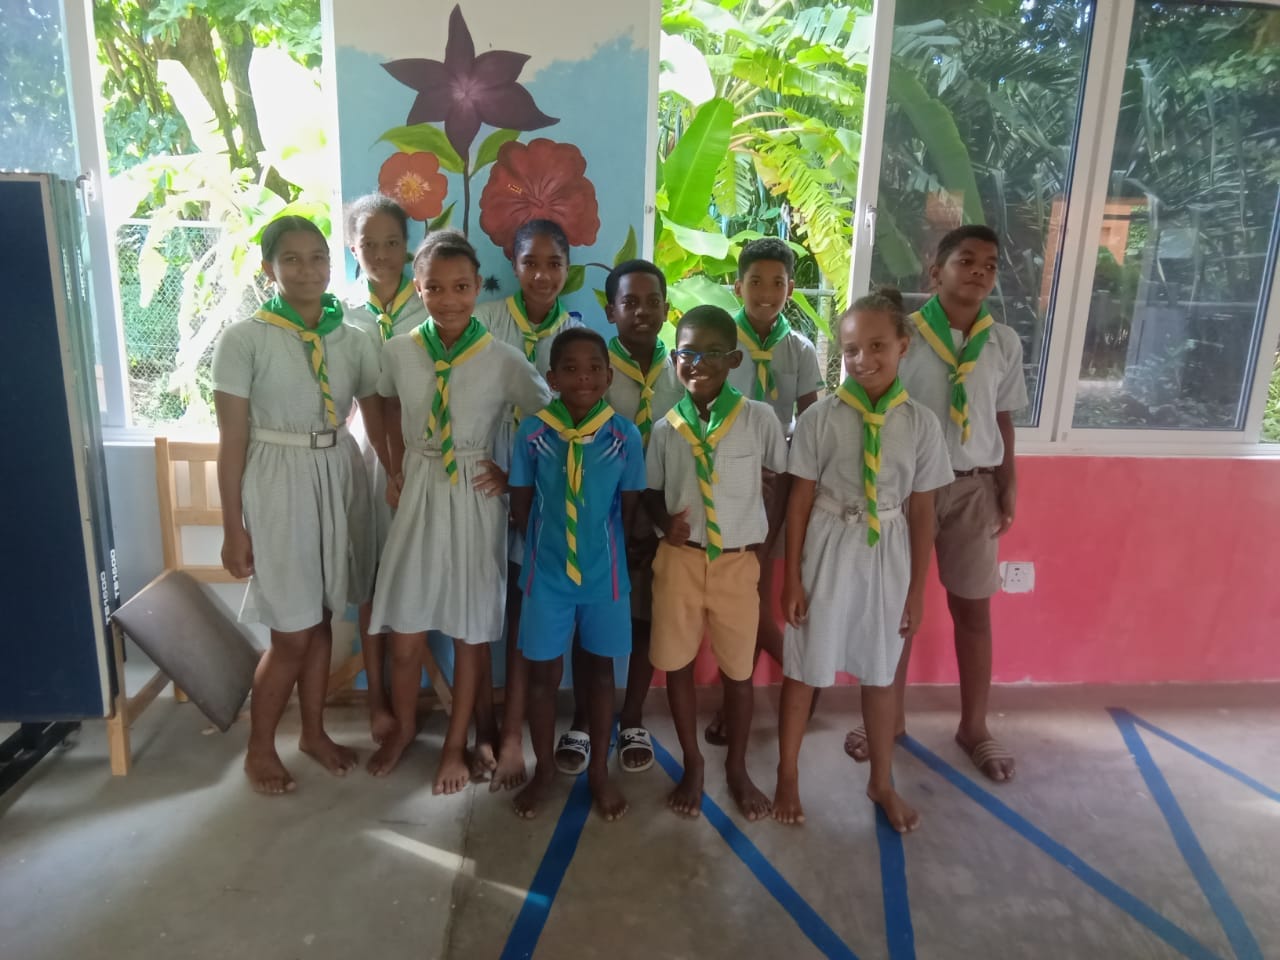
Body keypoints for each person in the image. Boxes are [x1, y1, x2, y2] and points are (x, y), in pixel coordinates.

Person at [367, 230, 551, 793]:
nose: (449, 300)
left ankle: (455, 746)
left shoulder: (502, 358)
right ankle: (399, 730)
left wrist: (514, 474)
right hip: (421, 485)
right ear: (417, 288)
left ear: (478, 287)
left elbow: (549, 416)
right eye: (435, 288)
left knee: (472, 632)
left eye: (462, 287)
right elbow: (381, 403)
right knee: (406, 632)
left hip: (475, 492)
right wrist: (393, 463)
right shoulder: (398, 350)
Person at [844, 225, 1027, 784]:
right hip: (907, 490)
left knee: (973, 609)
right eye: (965, 261)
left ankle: (974, 726)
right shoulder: (905, 336)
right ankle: (888, 719)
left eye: (989, 265)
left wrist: (1008, 481)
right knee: (898, 609)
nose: (978, 271)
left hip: (973, 486)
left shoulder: (1002, 343)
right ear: (936, 271)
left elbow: (1002, 417)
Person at [213, 215, 382, 794]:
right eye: (292, 259)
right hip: (278, 479)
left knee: (324, 616)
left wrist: (403, 471)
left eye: (317, 257)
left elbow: (377, 409)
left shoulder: (352, 337)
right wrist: (232, 527)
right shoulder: (244, 340)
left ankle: (314, 732)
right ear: (269, 269)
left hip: (337, 471)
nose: (307, 269)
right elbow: (232, 441)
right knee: (291, 631)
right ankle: (259, 748)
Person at [773, 290, 952, 832]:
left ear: (903, 347)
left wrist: (917, 589)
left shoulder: (921, 425)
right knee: (805, 667)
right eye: (851, 349)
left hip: (888, 551)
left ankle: (881, 781)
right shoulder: (820, 419)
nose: (863, 360)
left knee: (880, 672)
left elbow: (923, 510)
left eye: (877, 346)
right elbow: (799, 499)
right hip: (828, 546)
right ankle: (787, 773)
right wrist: (794, 578)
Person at [645, 305, 787, 821]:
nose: (696, 362)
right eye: (686, 352)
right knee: (678, 665)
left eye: (710, 353)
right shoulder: (666, 429)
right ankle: (694, 763)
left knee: (739, 672)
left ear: (733, 359)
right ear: (675, 360)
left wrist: (763, 544)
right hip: (679, 563)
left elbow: (781, 481)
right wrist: (665, 524)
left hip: (736, 564)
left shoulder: (759, 418)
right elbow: (650, 493)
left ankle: (737, 769)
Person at [508, 328, 646, 820]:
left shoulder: (623, 436)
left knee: (602, 677)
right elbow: (521, 507)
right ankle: (544, 769)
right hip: (546, 580)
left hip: (604, 580)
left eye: (593, 368)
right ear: (552, 378)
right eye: (570, 368)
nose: (583, 376)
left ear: (609, 377)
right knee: (544, 678)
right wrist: (550, 558)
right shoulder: (533, 434)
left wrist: (600, 558)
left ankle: (598, 774)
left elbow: (626, 510)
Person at [476, 218, 584, 789]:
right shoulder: (486, 322)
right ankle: (481, 731)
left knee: (522, 617)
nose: (542, 275)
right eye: (531, 263)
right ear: (513, 266)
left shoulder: (576, 335)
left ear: (567, 269)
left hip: (544, 495)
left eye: (554, 264)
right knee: (475, 613)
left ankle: (512, 734)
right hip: (482, 483)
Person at [705, 238, 824, 746]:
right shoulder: (717, 341)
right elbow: (702, 405)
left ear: (791, 289)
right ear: (738, 285)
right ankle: (798, 671)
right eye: (756, 281)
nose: (767, 292)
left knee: (752, 590)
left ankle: (740, 706)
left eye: (778, 282)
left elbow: (812, 420)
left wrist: (800, 482)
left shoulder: (799, 349)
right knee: (740, 593)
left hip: (777, 482)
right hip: (725, 477)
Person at [342, 193, 427, 750]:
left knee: (417, 584)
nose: (380, 254)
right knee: (372, 583)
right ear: (352, 249)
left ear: (408, 246)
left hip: (423, 457)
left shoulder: (432, 306)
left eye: (391, 242)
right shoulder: (341, 314)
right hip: (370, 462)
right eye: (367, 244)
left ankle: (412, 708)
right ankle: (377, 705)